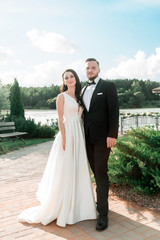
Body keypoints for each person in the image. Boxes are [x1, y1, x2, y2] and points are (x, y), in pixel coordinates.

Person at [18, 69, 97, 227]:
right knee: (66, 168)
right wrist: (65, 139)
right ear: (63, 81)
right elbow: (60, 119)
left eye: (71, 76)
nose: (69, 79)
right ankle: (64, 204)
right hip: (68, 133)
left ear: (75, 78)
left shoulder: (80, 96)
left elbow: (83, 116)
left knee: (79, 167)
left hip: (79, 133)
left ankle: (81, 205)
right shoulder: (61, 97)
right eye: (66, 78)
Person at [81, 58, 119, 231]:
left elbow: (114, 111)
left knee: (101, 172)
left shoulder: (108, 86)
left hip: (103, 139)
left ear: (99, 69)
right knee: (95, 171)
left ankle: (103, 214)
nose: (90, 70)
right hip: (87, 139)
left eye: (93, 67)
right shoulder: (83, 89)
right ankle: (101, 201)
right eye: (87, 68)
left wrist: (113, 135)